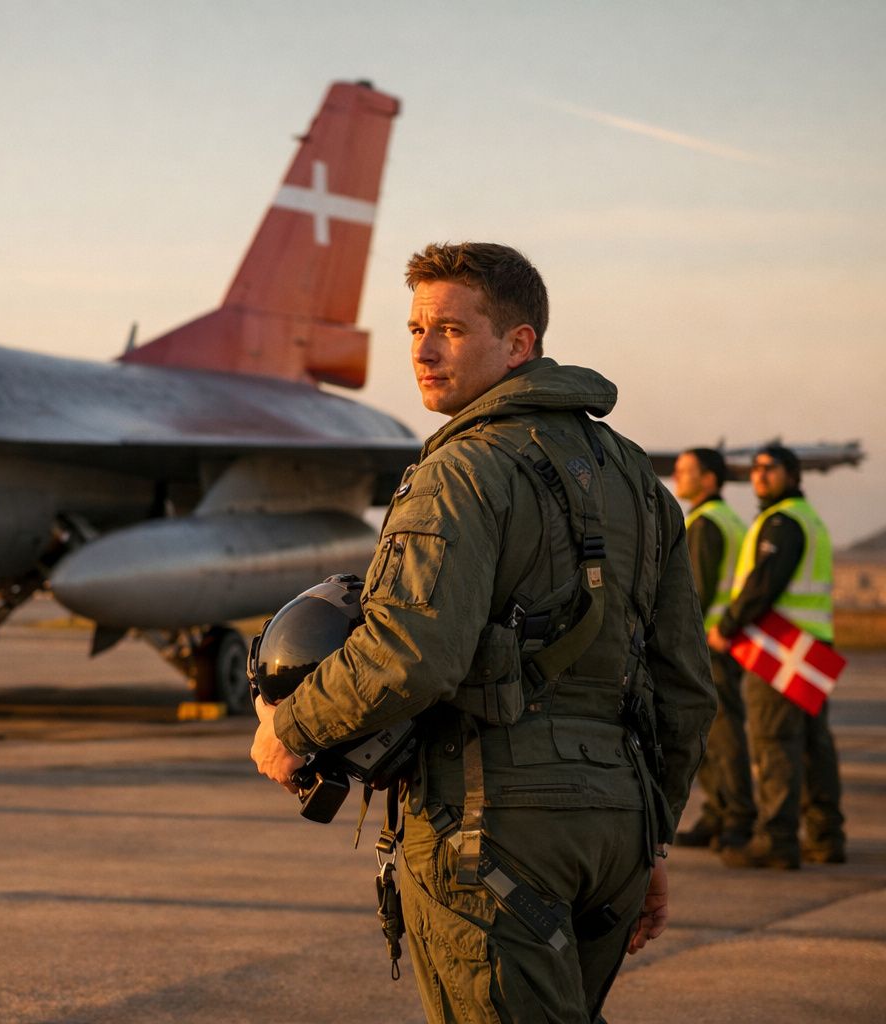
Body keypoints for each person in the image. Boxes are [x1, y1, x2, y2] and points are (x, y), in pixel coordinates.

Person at [250, 242, 715, 1023]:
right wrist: (650, 837)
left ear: (519, 343)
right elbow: (686, 689)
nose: (423, 351)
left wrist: (291, 727)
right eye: (414, 328)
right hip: (614, 831)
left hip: (491, 825)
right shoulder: (639, 479)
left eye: (452, 330)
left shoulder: (463, 470)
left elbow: (411, 654)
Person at [708, 443, 846, 868]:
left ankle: (778, 841)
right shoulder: (811, 520)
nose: (759, 475)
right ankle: (826, 837)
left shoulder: (781, 522)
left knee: (774, 742)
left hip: (781, 645)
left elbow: (761, 585)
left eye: (770, 468)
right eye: (755, 468)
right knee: (812, 744)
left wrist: (727, 627)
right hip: (813, 645)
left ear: (793, 474)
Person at [670, 448, 755, 851]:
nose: (677, 477)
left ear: (709, 479)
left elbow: (693, 593)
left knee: (721, 737)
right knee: (715, 735)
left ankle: (735, 816)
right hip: (718, 642)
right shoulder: (728, 519)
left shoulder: (705, 524)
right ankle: (718, 813)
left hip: (706, 645)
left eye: (686, 471)